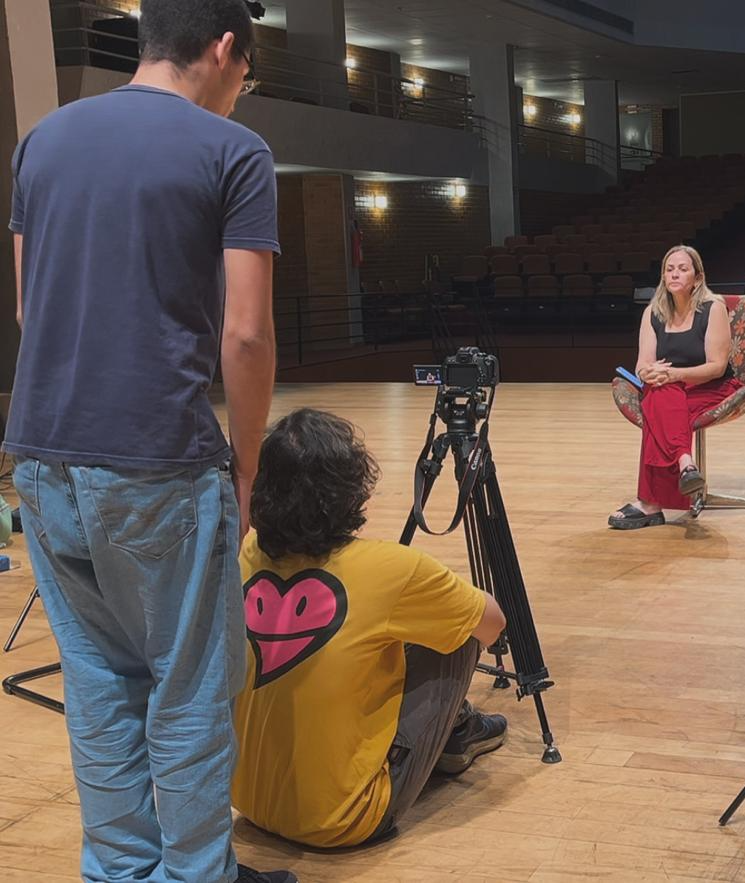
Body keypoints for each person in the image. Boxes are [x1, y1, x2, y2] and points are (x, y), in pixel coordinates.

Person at [6, 1, 288, 880]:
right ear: (224, 48)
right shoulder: (233, 152)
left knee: (97, 688)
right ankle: (198, 872)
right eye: (246, 73)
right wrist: (245, 465)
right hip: (159, 457)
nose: (242, 89)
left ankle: (121, 872)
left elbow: (27, 305)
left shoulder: (42, 141)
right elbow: (244, 336)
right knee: (188, 689)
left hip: (41, 457)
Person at [232, 409, 509, 849]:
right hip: (343, 821)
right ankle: (458, 734)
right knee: (459, 628)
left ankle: (455, 731)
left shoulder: (245, 550)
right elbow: (493, 626)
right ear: (350, 489)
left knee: (394, 626)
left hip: (247, 801)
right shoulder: (394, 569)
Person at [608, 245, 743, 528]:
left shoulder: (713, 308)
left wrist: (674, 375)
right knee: (658, 394)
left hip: (711, 387)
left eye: (683, 269)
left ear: (697, 276)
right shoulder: (653, 313)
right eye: (669, 269)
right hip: (670, 388)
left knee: (658, 409)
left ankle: (649, 503)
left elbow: (716, 366)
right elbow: (642, 365)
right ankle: (685, 464)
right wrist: (651, 373)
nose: (675, 274)